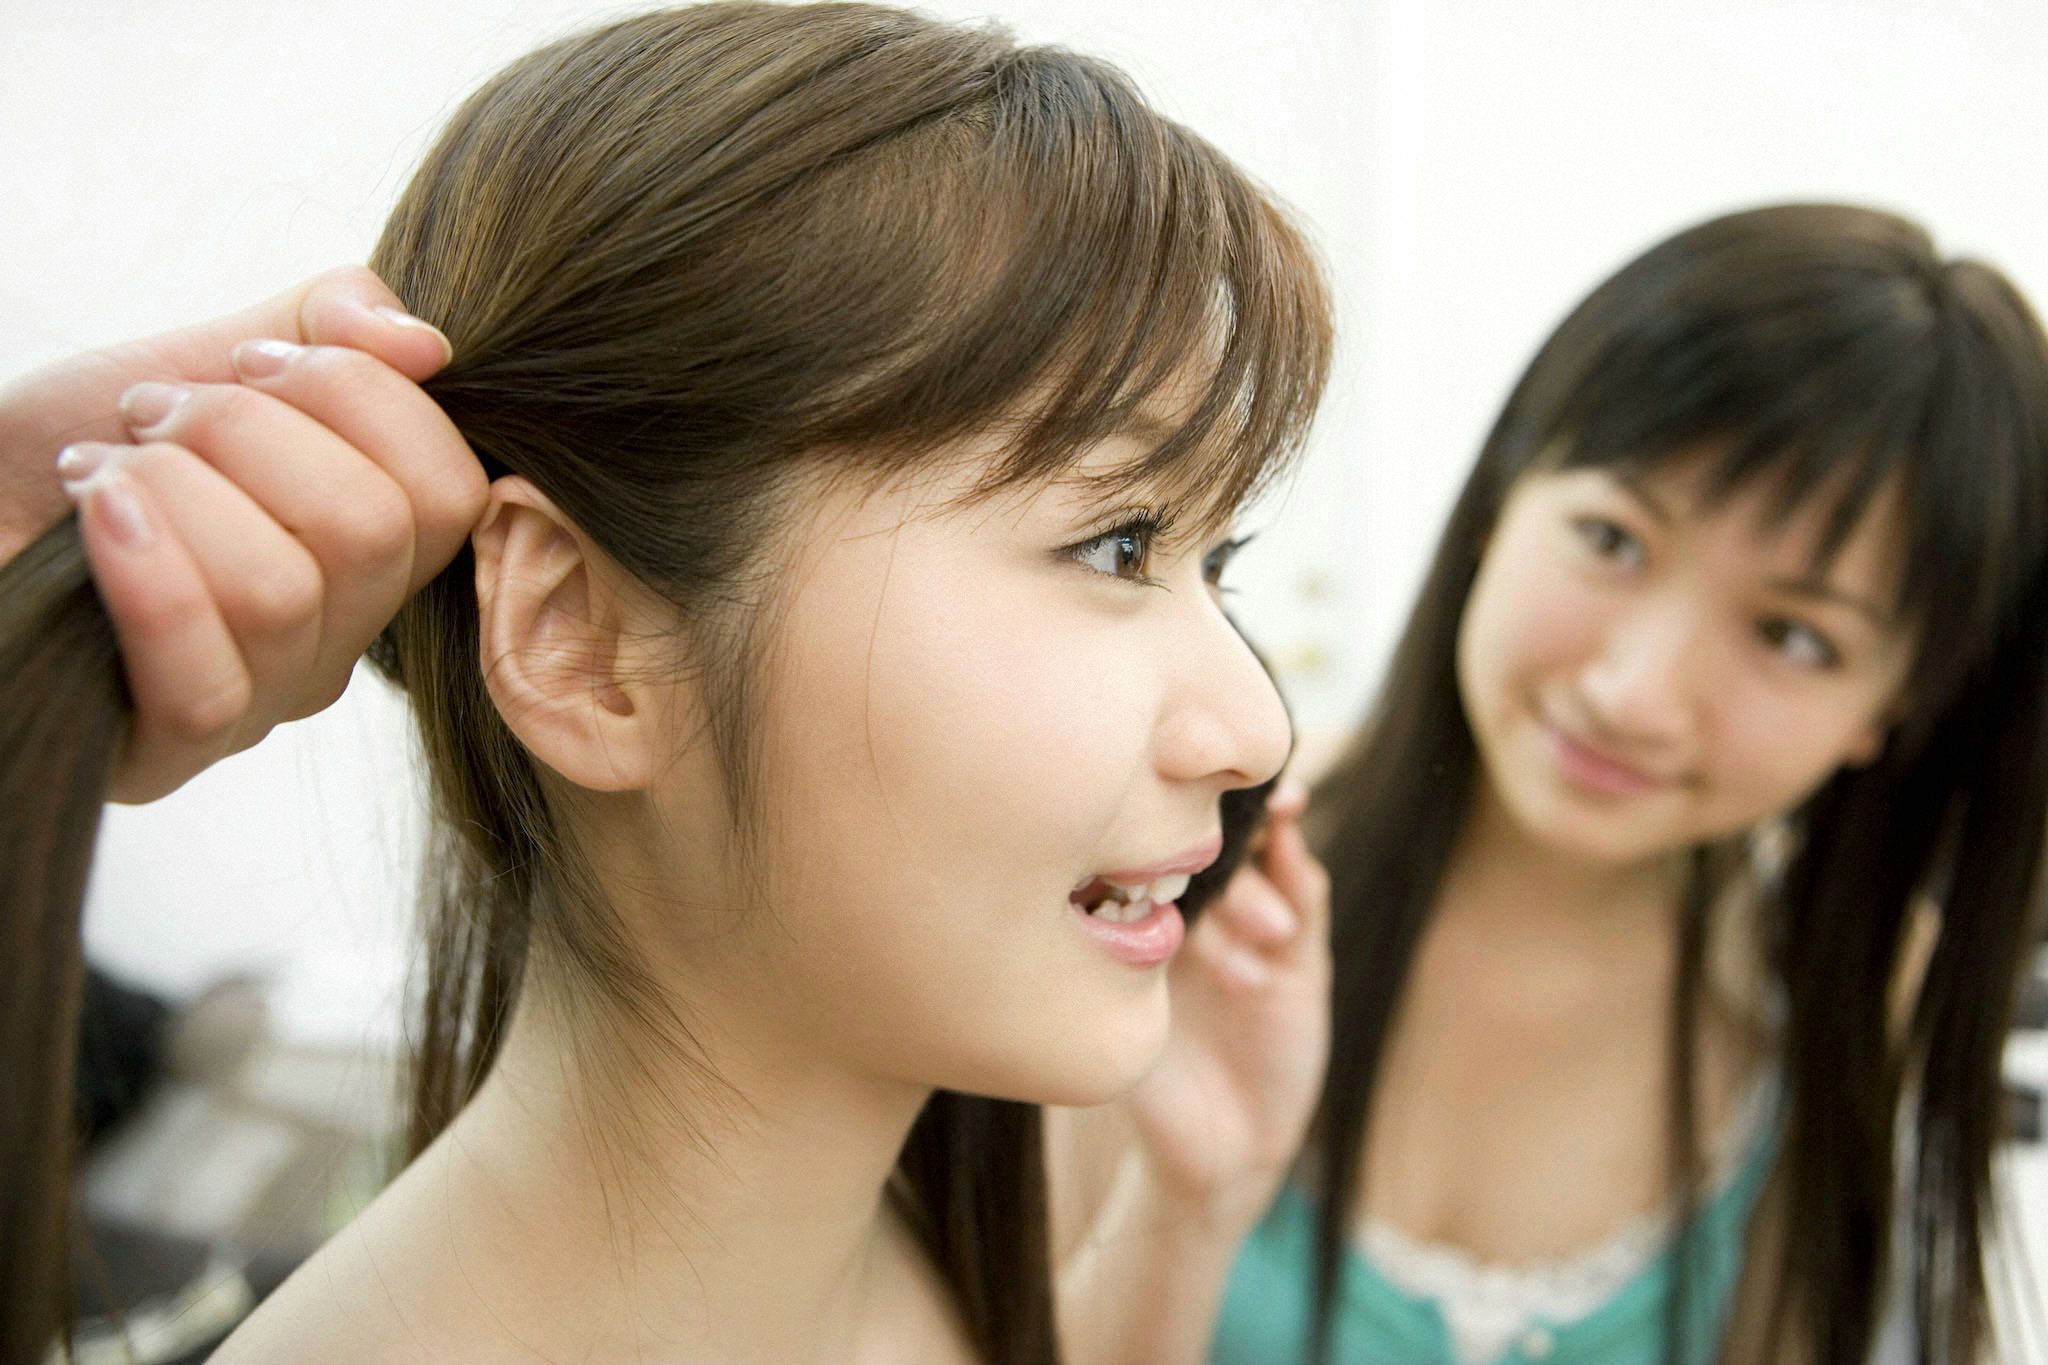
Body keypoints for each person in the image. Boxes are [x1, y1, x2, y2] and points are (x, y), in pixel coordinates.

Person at [0, 4, 1338, 1362]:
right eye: (1117, 543)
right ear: (580, 640)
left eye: (1215, 563)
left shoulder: (923, 1250)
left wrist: (1190, 1206)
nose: (1254, 731)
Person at [1192, 204, 2048, 1363]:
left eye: (1792, 636)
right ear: (1503, 495)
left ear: (1890, 710)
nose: (1633, 694)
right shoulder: (1195, 849)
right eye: (1611, 539)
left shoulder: (1848, 984)